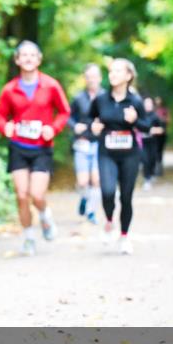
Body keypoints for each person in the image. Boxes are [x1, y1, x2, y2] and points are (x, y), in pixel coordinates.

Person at [0, 41, 70, 256]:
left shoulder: (51, 85)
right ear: (17, 60)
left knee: (37, 195)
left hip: (42, 148)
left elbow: (64, 112)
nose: (28, 59)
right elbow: (0, 116)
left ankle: (45, 216)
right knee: (21, 195)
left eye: (32, 55)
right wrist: (5, 127)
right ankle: (28, 238)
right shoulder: (10, 89)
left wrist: (53, 129)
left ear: (39, 59)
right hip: (18, 146)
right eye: (23, 55)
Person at [90, 58, 152, 255]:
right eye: (111, 71)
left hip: (130, 155)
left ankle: (124, 236)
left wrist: (134, 121)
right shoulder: (101, 99)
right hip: (106, 152)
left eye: (118, 71)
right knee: (107, 192)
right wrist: (93, 128)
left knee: (126, 196)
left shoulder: (135, 101)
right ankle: (109, 220)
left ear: (128, 76)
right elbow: (89, 121)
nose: (113, 74)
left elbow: (147, 127)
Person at [68, 63, 103, 224]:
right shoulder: (78, 98)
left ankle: (91, 212)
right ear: (85, 78)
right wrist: (75, 126)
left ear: (100, 78)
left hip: (99, 144)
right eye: (89, 76)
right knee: (82, 182)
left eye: (95, 76)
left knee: (96, 180)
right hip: (82, 143)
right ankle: (84, 198)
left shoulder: (106, 97)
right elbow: (67, 117)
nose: (92, 79)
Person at [139, 96, 165, 190]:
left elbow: (162, 129)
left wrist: (153, 130)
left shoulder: (155, 116)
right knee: (145, 160)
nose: (147, 105)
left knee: (152, 159)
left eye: (149, 104)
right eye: (146, 103)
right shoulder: (140, 116)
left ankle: (151, 174)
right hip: (142, 142)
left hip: (152, 142)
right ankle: (147, 179)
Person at [154, 96, 170, 176]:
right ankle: (155, 168)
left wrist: (161, 119)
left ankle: (159, 168)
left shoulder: (164, 110)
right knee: (154, 151)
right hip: (154, 134)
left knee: (160, 151)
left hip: (162, 134)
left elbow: (169, 120)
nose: (158, 101)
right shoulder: (153, 110)